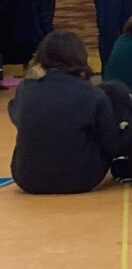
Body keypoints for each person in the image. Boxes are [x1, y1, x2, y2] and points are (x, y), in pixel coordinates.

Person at [7, 31, 120, 194]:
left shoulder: (25, 88)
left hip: (27, 179)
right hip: (81, 179)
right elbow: (111, 143)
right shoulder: (93, 94)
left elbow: (15, 114)